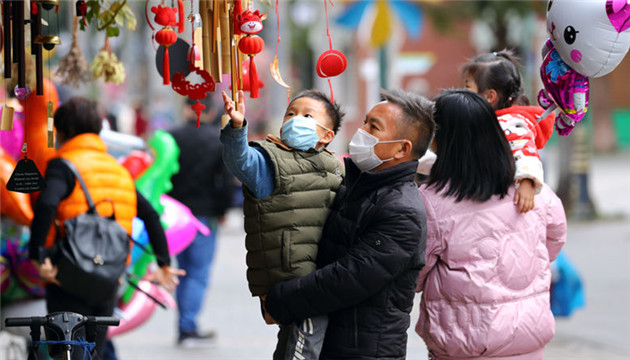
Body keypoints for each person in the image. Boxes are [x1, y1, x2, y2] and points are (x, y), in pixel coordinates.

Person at [264, 89, 435, 360]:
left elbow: (347, 278)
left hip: (363, 351)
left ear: (402, 148)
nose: (362, 131)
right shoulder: (356, 184)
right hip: (328, 342)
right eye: (366, 121)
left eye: (373, 127)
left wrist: (280, 301)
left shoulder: (402, 212)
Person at [415, 90, 567, 360]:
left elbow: (415, 271)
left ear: (442, 140)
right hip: (528, 339)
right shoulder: (532, 189)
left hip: (465, 343)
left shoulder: (432, 202)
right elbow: (555, 237)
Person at [28, 97, 184, 360]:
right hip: (109, 277)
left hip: (67, 274)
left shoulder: (63, 165)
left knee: (64, 349)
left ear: (63, 132)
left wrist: (38, 256)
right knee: (93, 351)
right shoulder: (119, 171)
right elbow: (151, 216)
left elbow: (46, 204)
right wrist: (164, 262)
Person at [220, 89, 345, 360]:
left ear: (327, 135)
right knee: (303, 346)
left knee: (296, 345)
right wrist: (238, 127)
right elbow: (240, 162)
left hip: (324, 278)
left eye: (307, 115)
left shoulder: (337, 167)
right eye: (291, 113)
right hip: (293, 281)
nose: (295, 119)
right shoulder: (269, 161)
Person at [168, 96, 235, 347]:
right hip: (204, 215)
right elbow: (226, 182)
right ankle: (187, 326)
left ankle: (184, 324)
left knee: (182, 269)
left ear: (186, 109)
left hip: (174, 215)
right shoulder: (218, 141)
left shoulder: (171, 137)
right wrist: (223, 209)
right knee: (198, 272)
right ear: (211, 112)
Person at [461, 49, 556, 213]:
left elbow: (525, 152)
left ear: (490, 96)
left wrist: (527, 182)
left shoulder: (511, 123)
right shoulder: (488, 121)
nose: (462, 92)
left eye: (467, 87)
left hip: (508, 201)